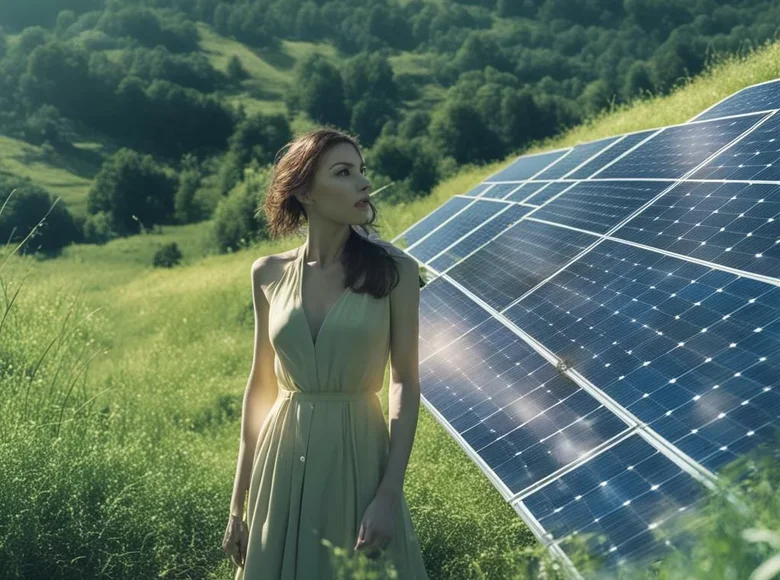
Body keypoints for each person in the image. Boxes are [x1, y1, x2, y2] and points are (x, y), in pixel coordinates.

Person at [221, 127, 429, 579]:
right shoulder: (267, 273)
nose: (363, 184)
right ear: (306, 192)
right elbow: (260, 386)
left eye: (361, 172)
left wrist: (388, 496)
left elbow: (405, 381)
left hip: (358, 456)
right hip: (281, 460)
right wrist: (238, 505)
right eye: (343, 172)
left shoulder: (397, 271)